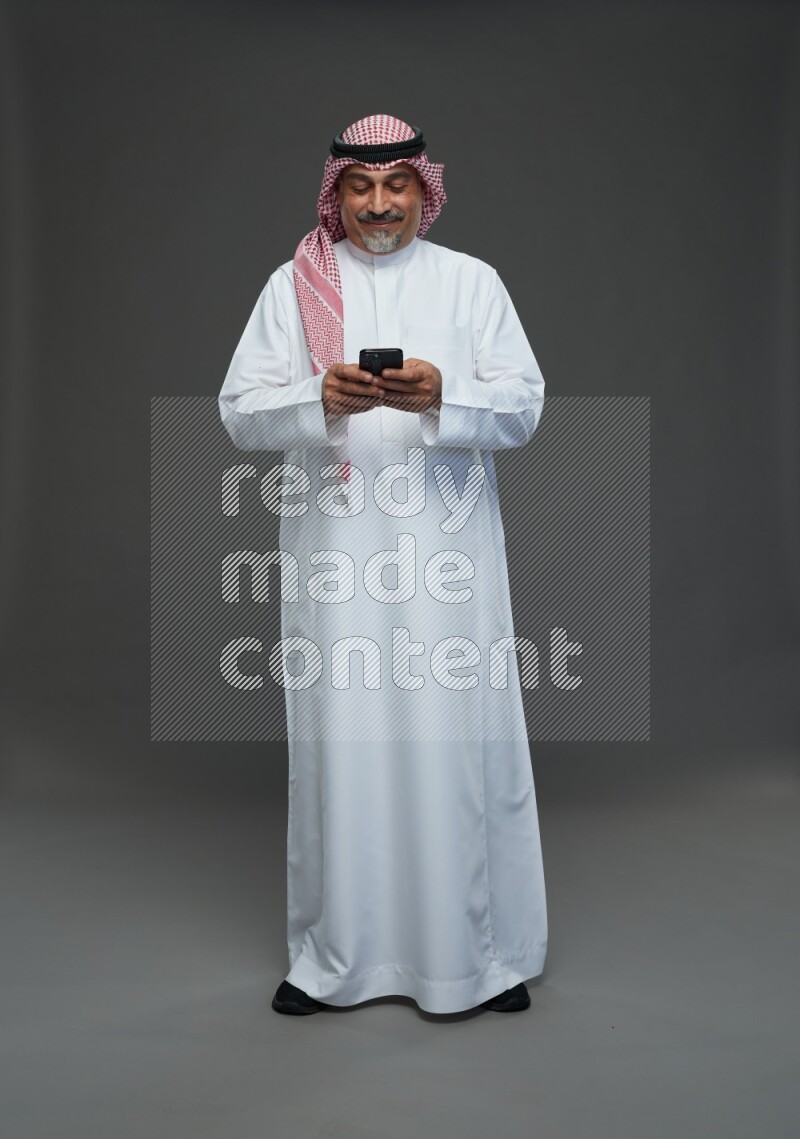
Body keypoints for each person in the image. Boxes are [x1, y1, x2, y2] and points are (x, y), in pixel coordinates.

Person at [218, 114, 547, 1016]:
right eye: (359, 188)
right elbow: (240, 413)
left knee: (454, 743)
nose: (377, 205)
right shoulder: (294, 287)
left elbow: (523, 407)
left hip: (447, 560)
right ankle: (338, 957)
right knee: (344, 747)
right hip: (337, 560)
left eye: (395, 185)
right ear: (337, 191)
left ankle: (476, 959)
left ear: (421, 190)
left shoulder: (472, 284)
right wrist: (313, 397)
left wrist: (448, 393)